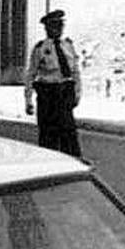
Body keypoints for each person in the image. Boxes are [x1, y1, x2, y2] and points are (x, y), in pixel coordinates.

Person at [24, 10, 82, 157]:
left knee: (68, 130)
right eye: (54, 26)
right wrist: (28, 100)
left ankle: (72, 160)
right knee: (48, 132)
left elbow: (75, 71)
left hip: (64, 92)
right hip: (48, 94)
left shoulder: (68, 46)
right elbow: (31, 73)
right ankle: (48, 161)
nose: (58, 29)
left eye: (60, 26)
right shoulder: (40, 48)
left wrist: (77, 93)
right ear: (47, 28)